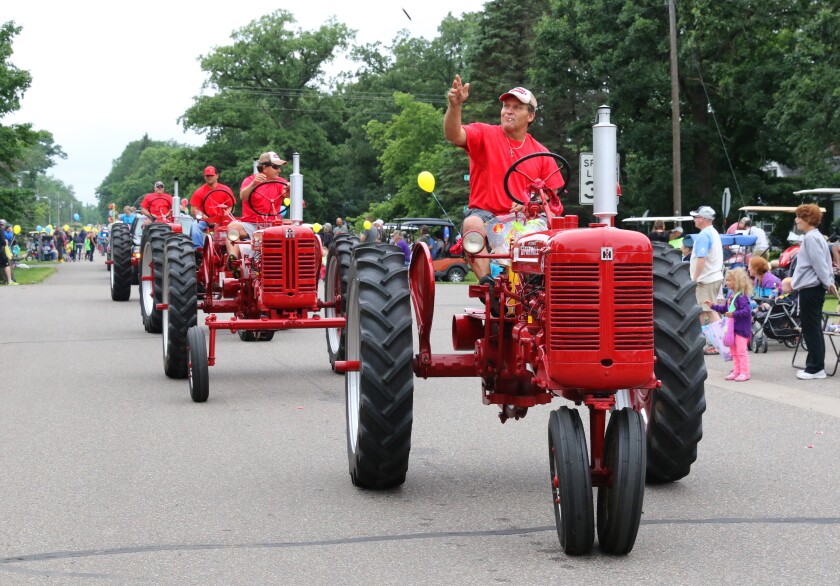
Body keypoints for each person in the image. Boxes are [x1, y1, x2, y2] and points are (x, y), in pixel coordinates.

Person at [444, 75, 565, 285]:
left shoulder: (542, 154)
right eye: (506, 106)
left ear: (530, 116)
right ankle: (487, 283)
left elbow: (554, 202)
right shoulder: (484, 134)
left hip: (525, 220)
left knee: (560, 230)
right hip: (486, 215)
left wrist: (531, 204)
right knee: (472, 222)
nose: (508, 111)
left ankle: (543, 285)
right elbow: (454, 134)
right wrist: (455, 107)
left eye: (517, 107)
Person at [791, 204, 838, 380]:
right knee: (813, 327)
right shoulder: (817, 237)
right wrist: (829, 282)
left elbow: (819, 263)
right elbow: (825, 262)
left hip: (811, 288)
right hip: (814, 288)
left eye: (799, 217)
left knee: (811, 328)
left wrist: (828, 282)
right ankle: (814, 365)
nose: (796, 220)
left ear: (808, 219)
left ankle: (816, 368)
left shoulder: (811, 238)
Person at [226, 152, 289, 273]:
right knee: (232, 228)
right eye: (275, 167)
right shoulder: (250, 180)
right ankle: (233, 261)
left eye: (279, 167)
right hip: (251, 225)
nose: (279, 170)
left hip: (273, 226)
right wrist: (253, 184)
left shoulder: (280, 182)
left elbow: (288, 193)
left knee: (294, 231)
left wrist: (291, 188)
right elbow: (243, 196)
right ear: (264, 167)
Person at [705, 267, 753, 381]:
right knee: (734, 352)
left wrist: (734, 314)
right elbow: (724, 309)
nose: (727, 283)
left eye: (729, 280)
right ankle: (736, 371)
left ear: (737, 282)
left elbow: (747, 311)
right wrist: (713, 306)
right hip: (732, 329)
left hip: (741, 329)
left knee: (741, 351)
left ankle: (745, 372)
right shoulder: (731, 296)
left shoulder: (742, 297)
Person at [689, 205, 724, 339]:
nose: (694, 220)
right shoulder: (713, 232)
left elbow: (701, 259)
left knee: (709, 311)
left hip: (706, 279)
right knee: (704, 310)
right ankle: (702, 339)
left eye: (696, 217)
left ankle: (721, 342)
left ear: (702, 219)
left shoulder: (704, 235)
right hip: (714, 276)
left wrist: (695, 279)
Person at [189, 166, 235, 253]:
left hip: (223, 220)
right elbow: (194, 209)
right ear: (204, 177)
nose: (209, 177)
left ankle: (234, 250)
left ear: (217, 176)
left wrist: (225, 215)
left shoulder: (225, 189)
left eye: (211, 175)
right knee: (195, 226)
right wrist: (208, 219)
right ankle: (198, 251)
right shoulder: (199, 192)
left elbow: (231, 205)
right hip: (205, 221)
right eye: (207, 176)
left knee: (237, 227)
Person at [0, 219, 17, 285]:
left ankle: (4, 279)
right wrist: (5, 242)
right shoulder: (1, 230)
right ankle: (10, 281)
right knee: (7, 265)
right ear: (3, 225)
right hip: (1, 250)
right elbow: (3, 241)